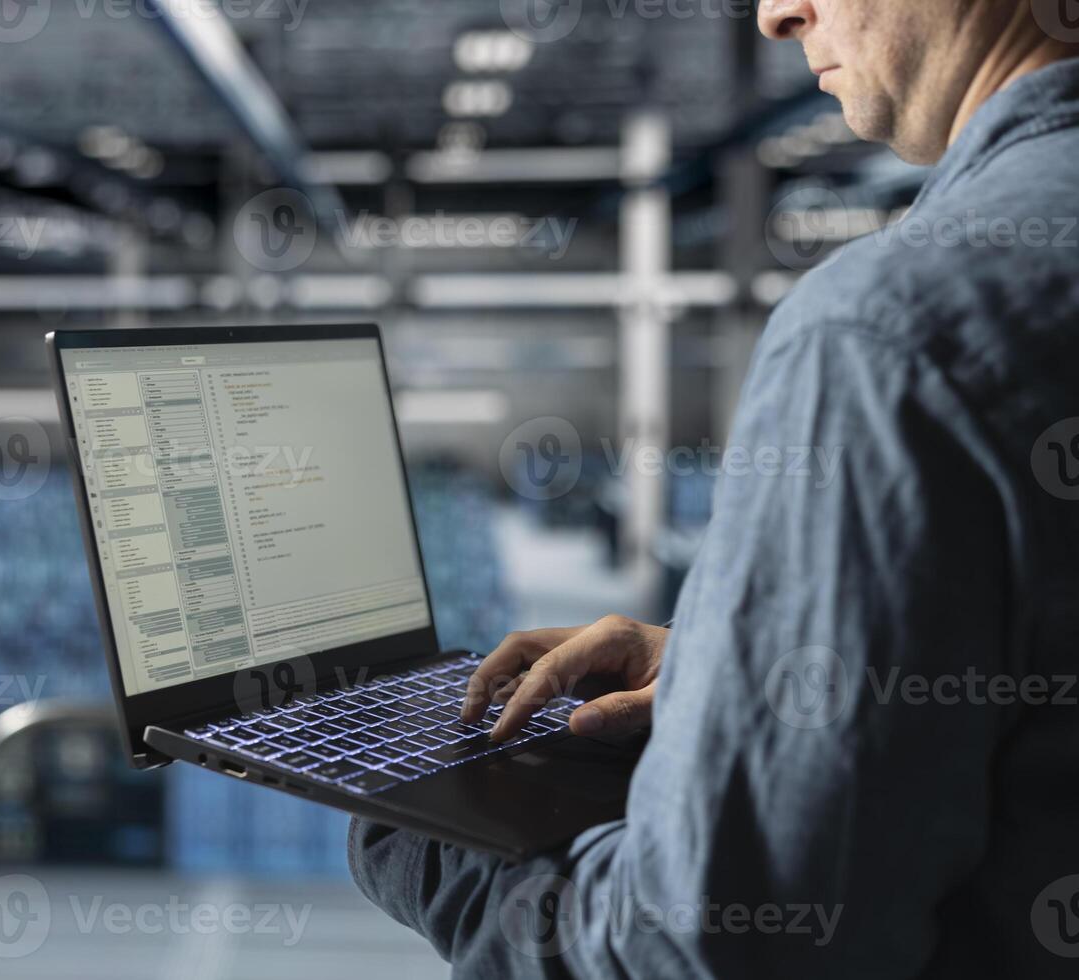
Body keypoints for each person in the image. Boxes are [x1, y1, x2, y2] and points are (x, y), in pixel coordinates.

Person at [347, 2, 1079, 976]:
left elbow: (718, 950)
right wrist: (734, 674)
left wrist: (415, 829)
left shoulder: (886, 332)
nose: (778, 14)